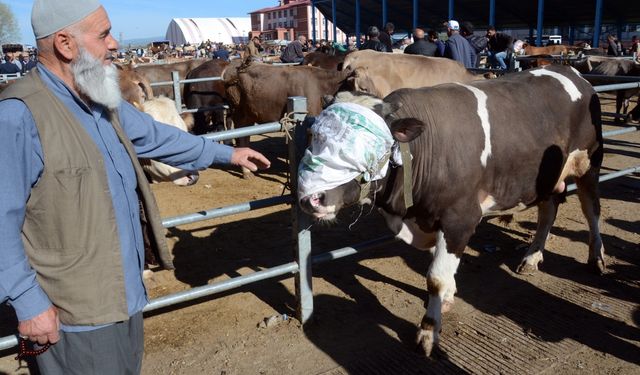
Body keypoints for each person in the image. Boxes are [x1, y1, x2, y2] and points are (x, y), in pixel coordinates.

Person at [0, 1, 270, 374]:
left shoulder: (98, 96)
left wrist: (223, 154)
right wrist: (29, 303)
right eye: (103, 34)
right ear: (65, 43)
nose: (114, 44)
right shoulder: (18, 114)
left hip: (124, 296)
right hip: (73, 314)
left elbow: (155, 136)